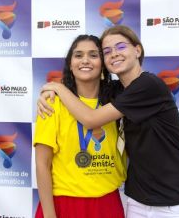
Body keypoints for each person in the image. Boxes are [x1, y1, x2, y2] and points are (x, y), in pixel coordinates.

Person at [37, 25, 179, 218]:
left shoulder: (148, 85)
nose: (114, 54)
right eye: (107, 51)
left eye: (121, 47)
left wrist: (56, 87)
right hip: (137, 202)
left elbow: (91, 119)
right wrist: (51, 90)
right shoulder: (115, 92)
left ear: (137, 50)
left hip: (175, 204)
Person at [34, 35, 126, 218]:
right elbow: (42, 163)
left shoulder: (117, 101)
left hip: (108, 203)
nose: (85, 60)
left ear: (103, 63)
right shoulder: (52, 102)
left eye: (93, 55)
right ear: (70, 64)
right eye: (78, 55)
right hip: (65, 203)